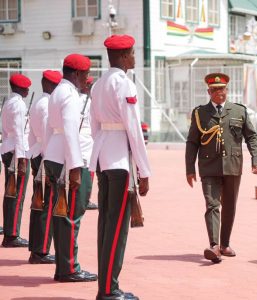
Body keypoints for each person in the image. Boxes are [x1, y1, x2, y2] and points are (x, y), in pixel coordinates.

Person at [90, 34, 150, 300]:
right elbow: (134, 130)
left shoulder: (98, 84)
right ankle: (109, 290)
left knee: (106, 225)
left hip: (103, 158)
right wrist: (144, 170)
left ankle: (105, 286)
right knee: (116, 229)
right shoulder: (123, 84)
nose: (134, 58)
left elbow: (93, 126)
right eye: (133, 53)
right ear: (124, 57)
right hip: (119, 162)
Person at [185, 73, 257, 264]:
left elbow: (251, 136)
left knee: (230, 206)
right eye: (215, 90)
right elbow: (192, 142)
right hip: (209, 166)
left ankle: (225, 244)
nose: (220, 93)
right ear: (209, 92)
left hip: (233, 166)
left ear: (227, 90)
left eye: (222, 89)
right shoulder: (200, 113)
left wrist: (256, 158)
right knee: (212, 205)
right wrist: (189, 169)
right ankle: (214, 245)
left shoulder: (238, 111)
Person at [43, 54, 97, 282]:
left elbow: (49, 129)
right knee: (72, 215)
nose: (86, 80)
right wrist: (75, 166)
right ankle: (69, 268)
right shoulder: (70, 95)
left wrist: (47, 159)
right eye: (85, 75)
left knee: (61, 213)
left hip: (55, 155)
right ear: (76, 74)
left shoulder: (57, 92)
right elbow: (71, 131)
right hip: (69, 160)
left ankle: (64, 266)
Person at [27, 70, 62, 264]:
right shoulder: (48, 105)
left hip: (36, 151)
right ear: (51, 85)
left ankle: (36, 247)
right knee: (47, 204)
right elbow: (49, 136)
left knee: (38, 203)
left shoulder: (37, 103)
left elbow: (31, 134)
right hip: (45, 155)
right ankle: (40, 251)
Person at [1, 73, 32, 248]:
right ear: (20, 89)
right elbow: (20, 133)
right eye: (26, 88)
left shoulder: (8, 103)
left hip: (8, 148)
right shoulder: (19, 104)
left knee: (10, 193)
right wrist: (21, 158)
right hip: (16, 152)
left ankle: (9, 232)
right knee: (16, 195)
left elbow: (6, 132)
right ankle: (12, 235)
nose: (28, 90)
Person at [79, 76, 98, 211]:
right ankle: (85, 198)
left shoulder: (75, 98)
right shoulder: (89, 102)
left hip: (78, 137)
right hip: (87, 137)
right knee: (88, 170)